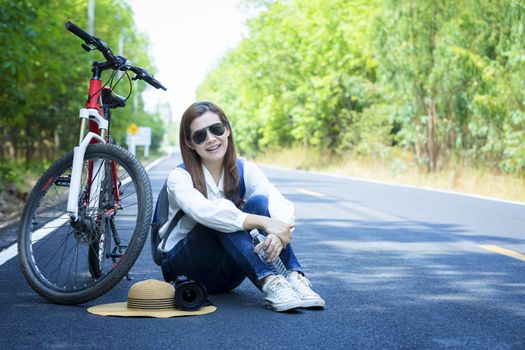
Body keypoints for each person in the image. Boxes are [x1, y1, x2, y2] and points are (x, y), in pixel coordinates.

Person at [159, 101, 325, 312]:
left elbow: (276, 198)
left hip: (228, 275)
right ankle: (269, 282)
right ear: (190, 143)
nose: (211, 139)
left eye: (216, 129)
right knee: (223, 213)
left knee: (260, 202)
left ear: (227, 130)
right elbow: (207, 213)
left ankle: (293, 276)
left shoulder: (244, 168)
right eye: (200, 136)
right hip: (184, 269)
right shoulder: (179, 177)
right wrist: (264, 222)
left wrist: (277, 231)